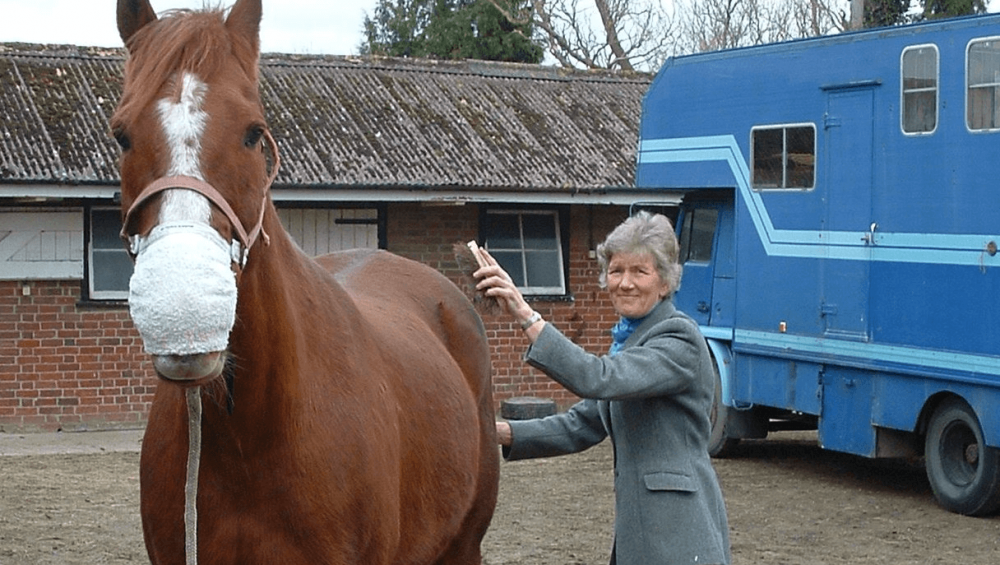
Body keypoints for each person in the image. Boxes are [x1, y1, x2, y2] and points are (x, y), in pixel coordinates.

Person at [473, 211, 731, 565]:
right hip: (638, 533)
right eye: (616, 270)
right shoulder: (632, 340)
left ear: (665, 282)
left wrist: (525, 313)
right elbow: (581, 424)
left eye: (639, 271)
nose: (625, 283)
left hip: (679, 532)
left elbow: (597, 378)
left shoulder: (678, 338)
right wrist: (492, 432)